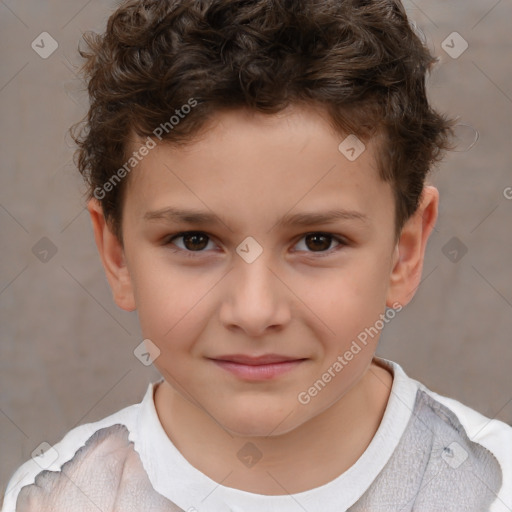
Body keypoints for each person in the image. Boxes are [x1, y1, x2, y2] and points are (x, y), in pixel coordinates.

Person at [2, 0, 511, 510]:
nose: (254, 311)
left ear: (405, 252)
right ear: (117, 255)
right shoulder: (56, 498)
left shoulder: (493, 487)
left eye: (318, 241)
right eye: (194, 240)